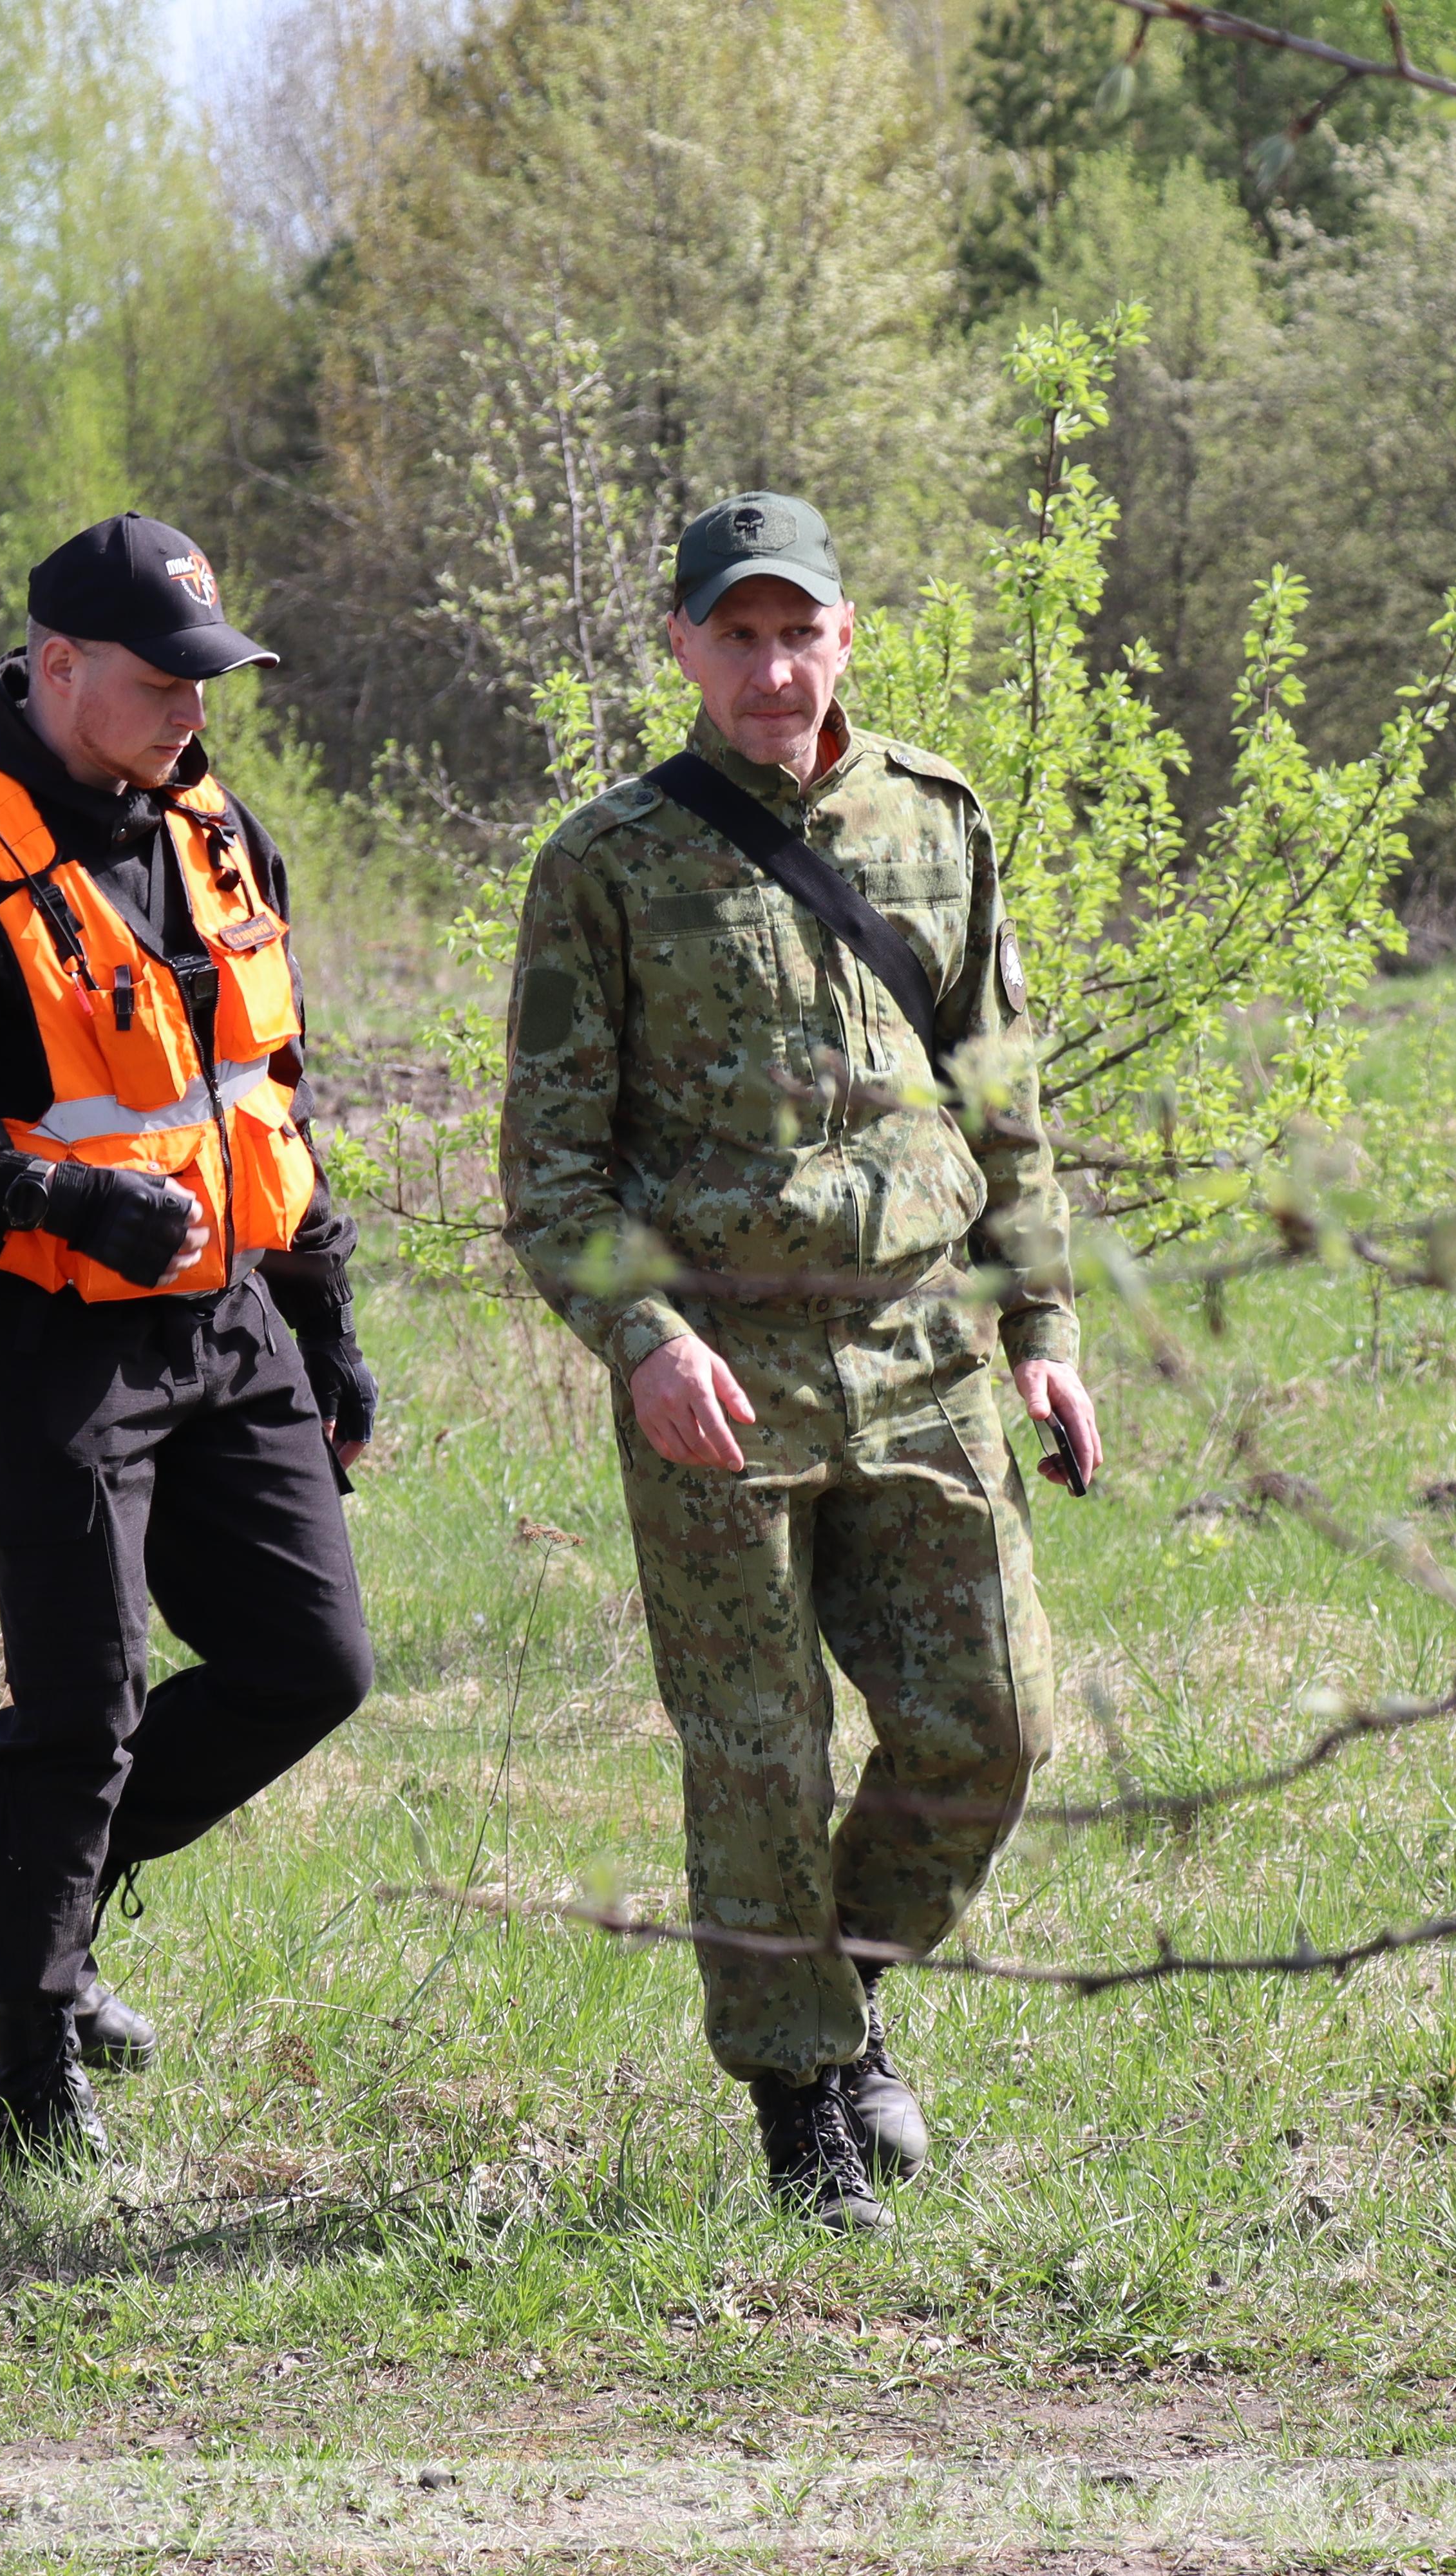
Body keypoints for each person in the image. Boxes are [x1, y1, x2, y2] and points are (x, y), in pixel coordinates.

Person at [495, 493, 1101, 2232]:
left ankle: (837, 1996)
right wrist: (644, 1335)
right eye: (736, 634)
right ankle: (803, 2105)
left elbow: (1003, 1094)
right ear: (681, 647)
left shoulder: (936, 822)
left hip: (923, 1349)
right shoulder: (605, 863)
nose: (773, 666)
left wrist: (1042, 1328)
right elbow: (550, 1173)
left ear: (848, 633)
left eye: (800, 630)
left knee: (992, 1726)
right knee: (757, 1747)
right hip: (725, 1371)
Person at [0, 512, 377, 2161]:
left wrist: (325, 1320)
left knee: (308, 1665)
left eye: (212, 675)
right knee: (85, 1700)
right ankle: (29, 2077)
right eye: (161, 679)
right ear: (56, 671)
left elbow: (271, 1093)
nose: (196, 706)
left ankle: (24, 1895)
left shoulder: (216, 830)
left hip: (233, 1319)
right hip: (56, 1344)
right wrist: (56, 1199)